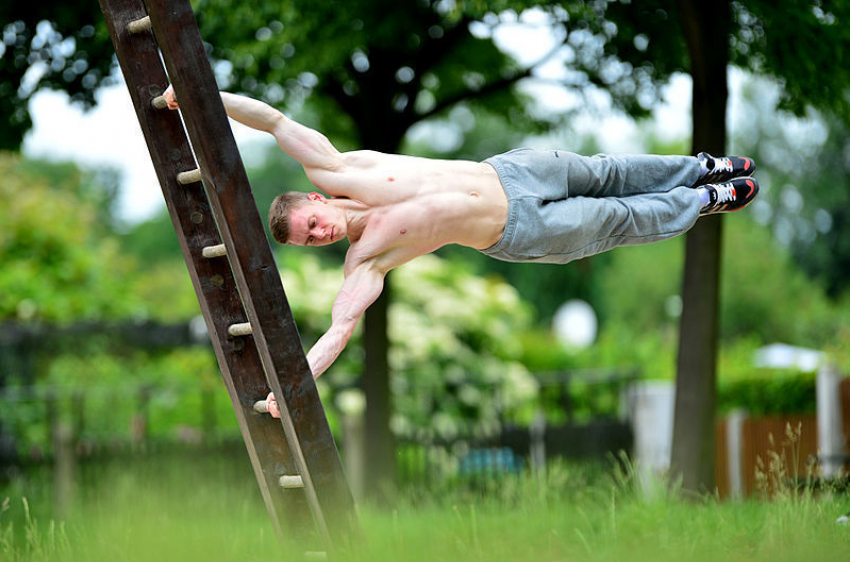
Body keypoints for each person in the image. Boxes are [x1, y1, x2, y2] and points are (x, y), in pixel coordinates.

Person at [162, 86, 758, 418]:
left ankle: (700, 167)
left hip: (511, 172)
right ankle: (705, 200)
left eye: (312, 223)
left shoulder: (341, 166)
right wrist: (290, 389)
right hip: (517, 231)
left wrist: (195, 94)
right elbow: (339, 331)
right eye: (309, 240)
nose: (319, 235)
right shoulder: (365, 261)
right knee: (613, 217)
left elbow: (272, 119)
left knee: (605, 172)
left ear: (316, 197)